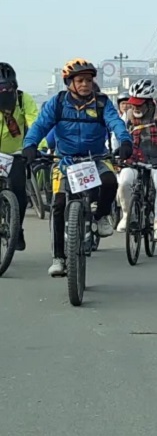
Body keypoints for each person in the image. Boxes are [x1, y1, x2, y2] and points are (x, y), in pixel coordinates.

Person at [22, 59, 132, 276]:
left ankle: (101, 216)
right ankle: (58, 258)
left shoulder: (102, 103)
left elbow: (116, 123)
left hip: (96, 158)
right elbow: (40, 125)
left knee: (110, 181)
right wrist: (30, 145)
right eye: (80, 80)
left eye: (89, 80)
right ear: (69, 83)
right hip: (65, 161)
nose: (85, 84)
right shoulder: (57, 103)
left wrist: (125, 140)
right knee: (58, 205)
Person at [115, 79, 157, 242]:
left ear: (149, 102)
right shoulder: (127, 115)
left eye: (139, 104)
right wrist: (117, 154)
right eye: (133, 103)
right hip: (134, 158)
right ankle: (127, 216)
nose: (135, 107)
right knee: (124, 183)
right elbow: (117, 135)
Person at [0, 62, 38, 251]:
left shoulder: (24, 99)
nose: (4, 93)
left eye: (8, 88)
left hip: (16, 153)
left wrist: (37, 146)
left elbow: (35, 123)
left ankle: (17, 228)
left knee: (19, 193)